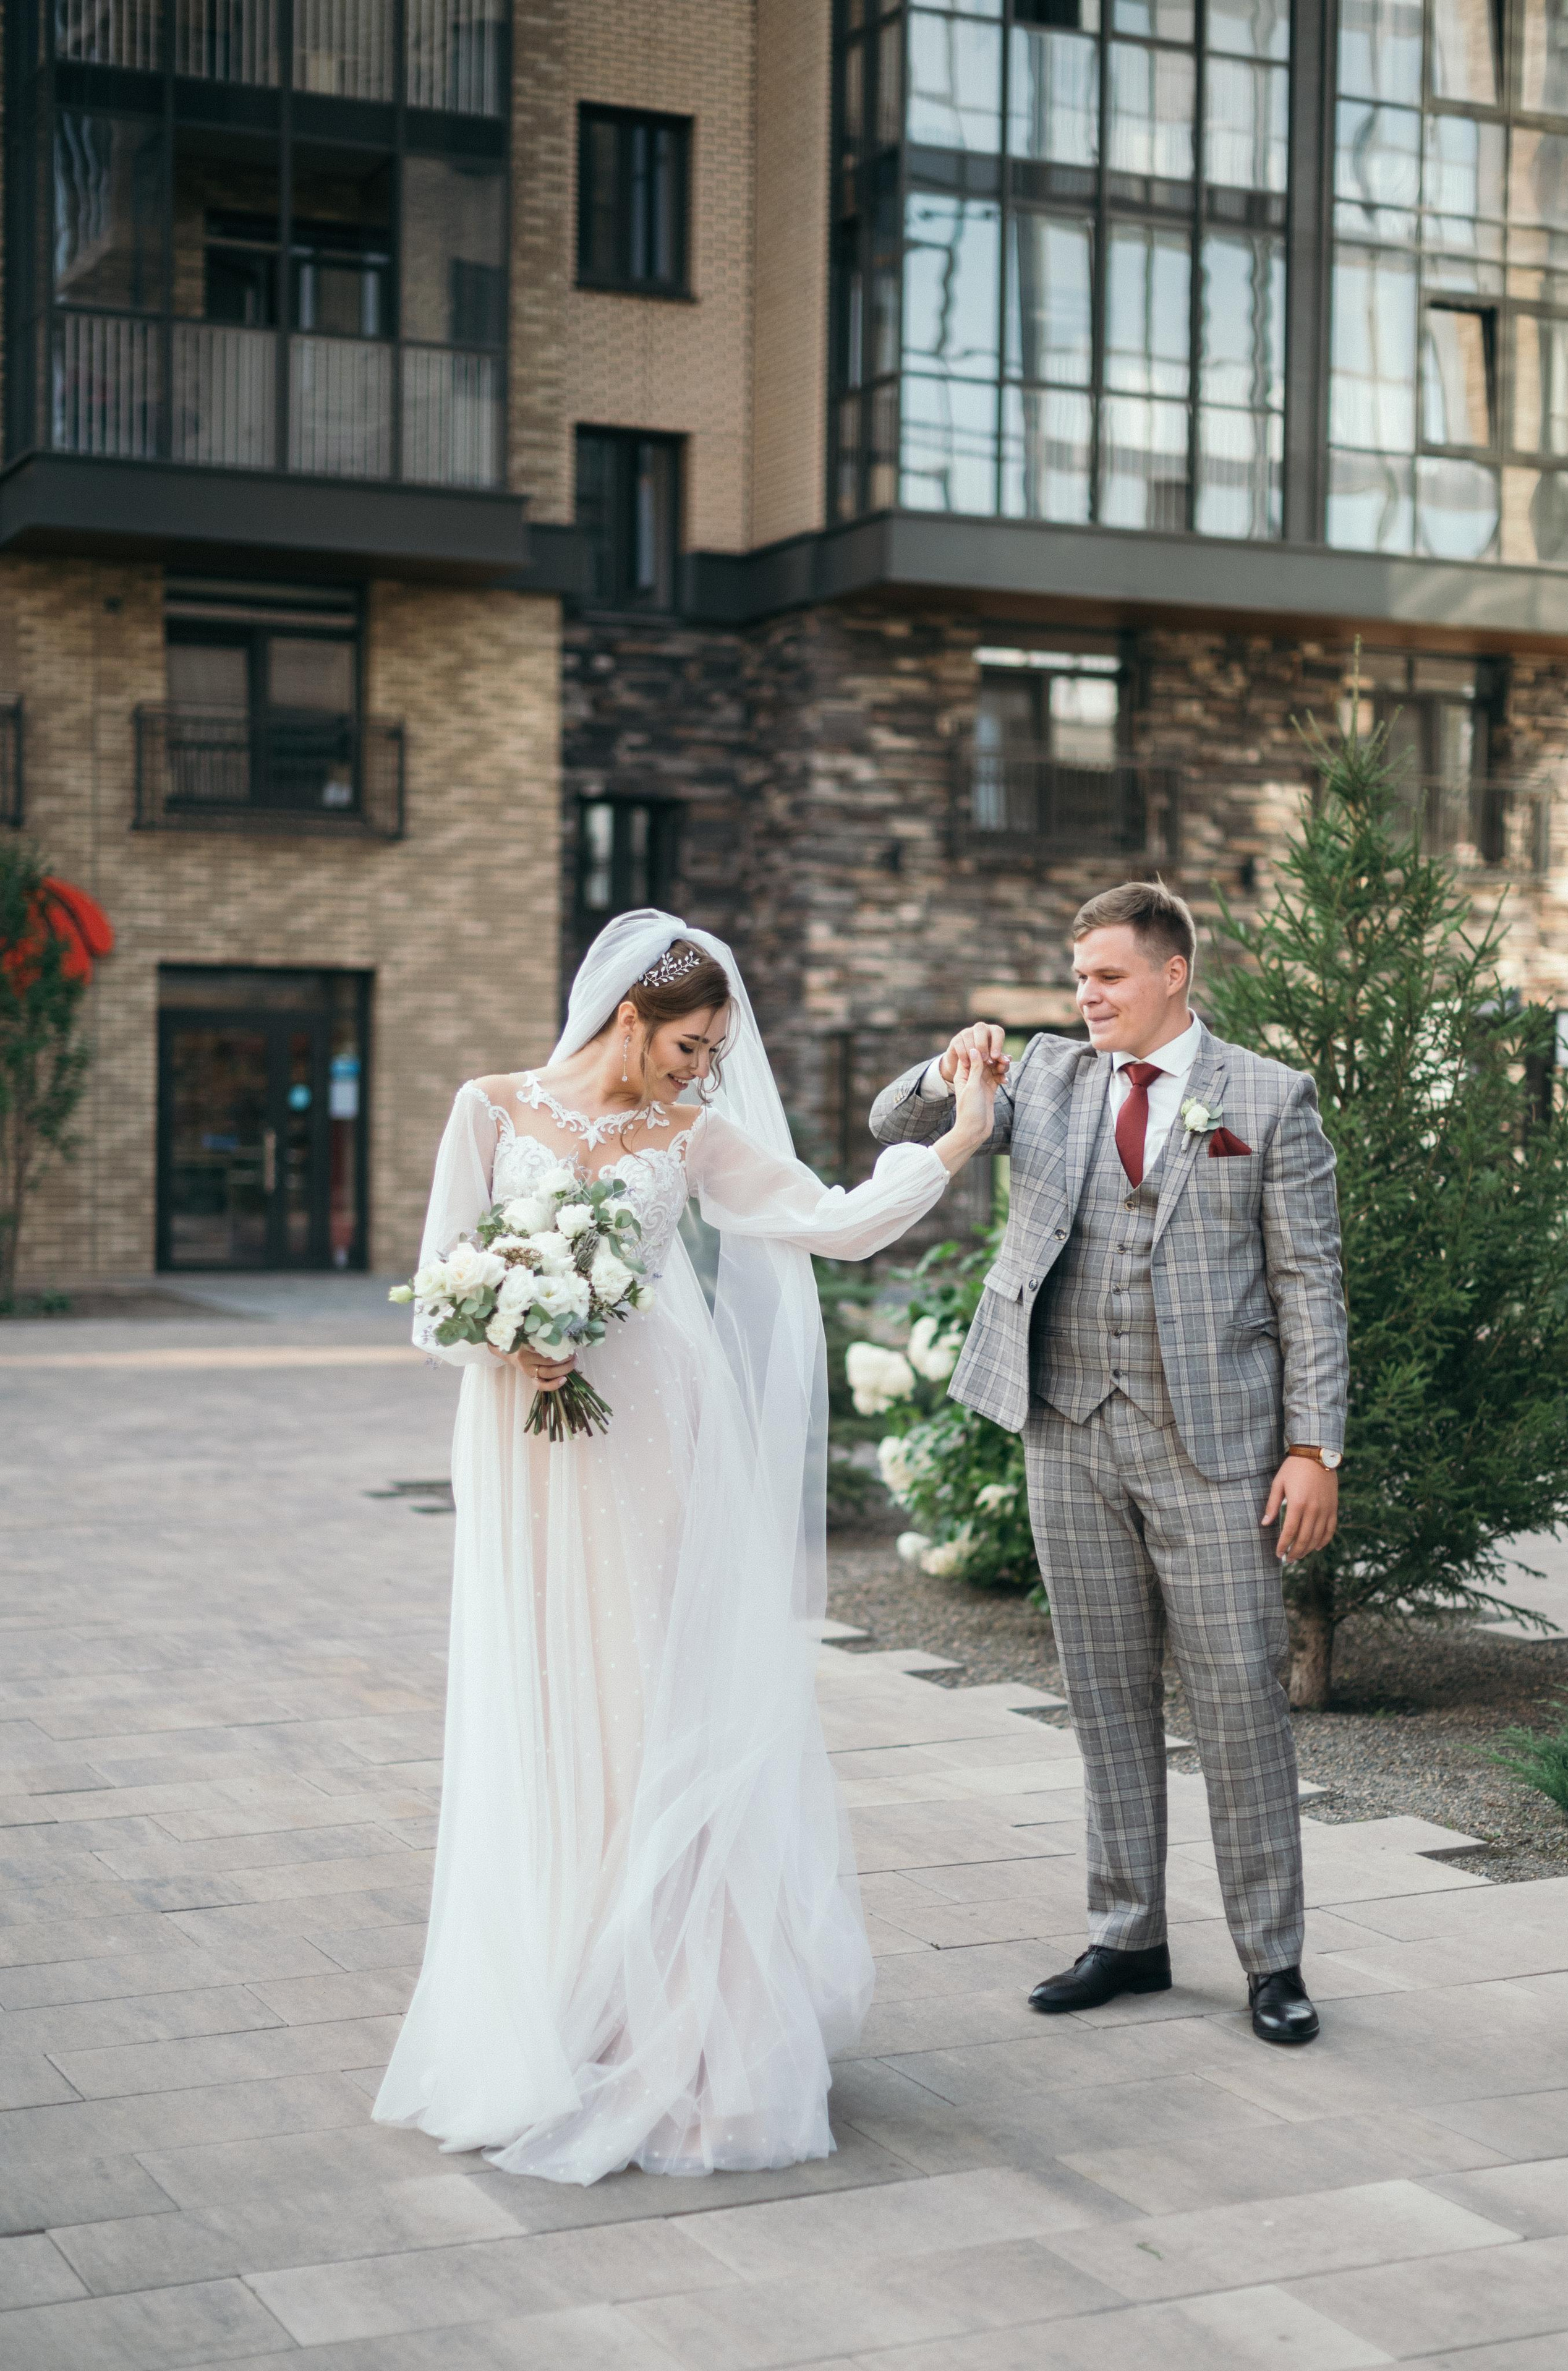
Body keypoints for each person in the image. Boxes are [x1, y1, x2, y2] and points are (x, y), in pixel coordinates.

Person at [374, 910, 995, 2182]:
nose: (699, 1069)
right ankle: (561, 2005)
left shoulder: (693, 1135)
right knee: (551, 1700)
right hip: (522, 1443)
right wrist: (507, 1334)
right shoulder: (487, 1111)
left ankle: (675, 2015)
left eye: (714, 1050)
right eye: (687, 1045)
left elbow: (829, 1220)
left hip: (658, 1430)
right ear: (626, 1018)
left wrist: (962, 1135)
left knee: (657, 1696)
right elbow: (437, 1289)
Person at [870, 880, 1347, 2046]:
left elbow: (1309, 1285)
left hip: (1217, 1445)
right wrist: (946, 1073)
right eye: (1078, 977)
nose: (1087, 996)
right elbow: (893, 1125)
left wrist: (1313, 1446)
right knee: (1103, 1691)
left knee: (1240, 1701)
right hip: (1066, 1427)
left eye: (1109, 977)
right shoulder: (1040, 1074)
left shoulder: (1268, 1100)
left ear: (1173, 973)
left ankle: (1272, 1960)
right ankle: (1128, 1932)